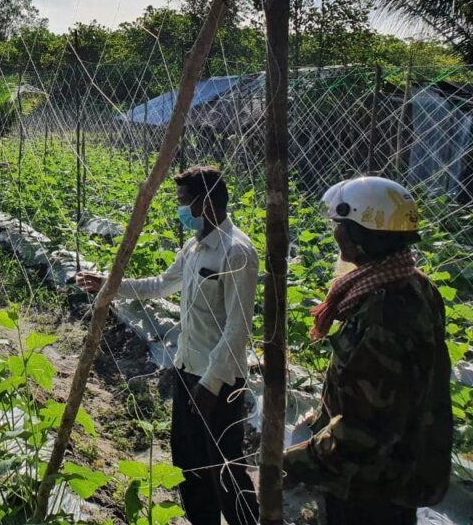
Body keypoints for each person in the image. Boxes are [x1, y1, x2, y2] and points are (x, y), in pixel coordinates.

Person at [76, 165, 259, 525]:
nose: (180, 209)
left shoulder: (236, 252)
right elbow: (161, 284)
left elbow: (238, 328)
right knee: (189, 464)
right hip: (187, 370)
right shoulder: (194, 247)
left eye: (184, 201)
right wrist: (110, 284)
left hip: (219, 381)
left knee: (225, 469)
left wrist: (211, 384)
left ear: (207, 203)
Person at [283, 176, 452, 525]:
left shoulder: (385, 313)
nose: (335, 233)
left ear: (358, 234)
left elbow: (364, 432)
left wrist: (291, 462)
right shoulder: (411, 285)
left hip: (371, 485)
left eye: (340, 225)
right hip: (395, 472)